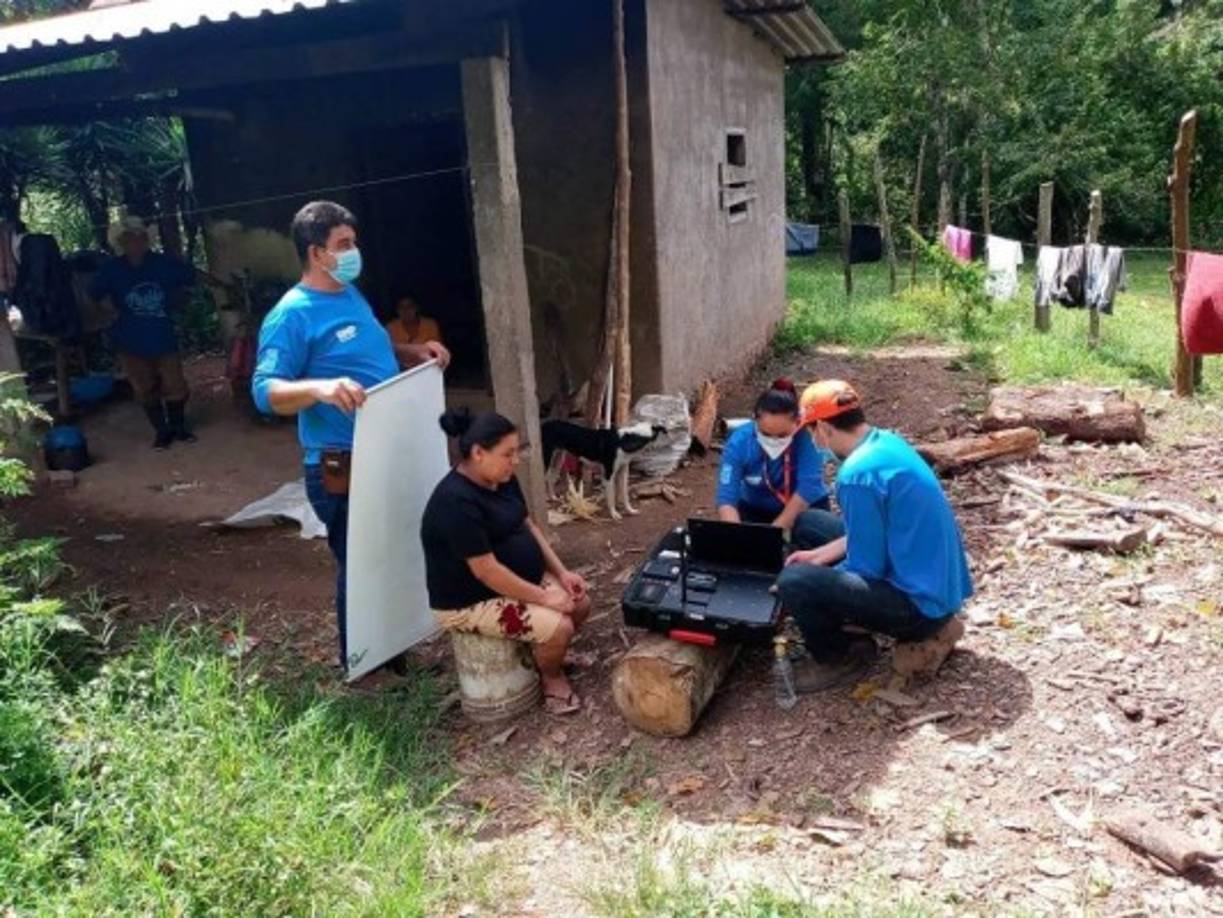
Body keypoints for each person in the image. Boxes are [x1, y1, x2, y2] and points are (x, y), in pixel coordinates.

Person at [252, 200, 450, 672]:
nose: (353, 252)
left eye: (353, 242)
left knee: (396, 551)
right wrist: (320, 388)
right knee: (362, 566)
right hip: (341, 463)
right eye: (343, 245)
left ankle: (394, 651)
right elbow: (264, 391)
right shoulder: (292, 314)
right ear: (316, 253)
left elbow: (371, 351)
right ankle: (364, 663)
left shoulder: (349, 294)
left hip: (382, 451)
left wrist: (411, 351)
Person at [775, 379, 972, 692]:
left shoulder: (856, 476)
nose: (816, 443)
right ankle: (835, 613)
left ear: (824, 429)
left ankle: (840, 658)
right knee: (809, 523)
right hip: (938, 585)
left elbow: (866, 568)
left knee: (794, 582)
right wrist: (818, 556)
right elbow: (873, 533)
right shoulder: (886, 442)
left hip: (919, 607)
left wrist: (808, 583)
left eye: (813, 433)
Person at [423, 409, 590, 715]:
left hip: (507, 582)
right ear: (478, 453)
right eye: (508, 453)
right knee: (559, 627)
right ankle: (552, 679)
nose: (515, 461)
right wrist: (545, 598)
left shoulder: (501, 479)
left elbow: (528, 526)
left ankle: (547, 653)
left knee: (580, 602)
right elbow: (486, 571)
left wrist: (562, 574)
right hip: (469, 601)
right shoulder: (455, 502)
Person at [88, 216, 199, 449]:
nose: (136, 243)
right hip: (129, 340)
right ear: (122, 243)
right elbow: (94, 293)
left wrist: (181, 301)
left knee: (175, 384)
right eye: (130, 239)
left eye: (140, 238)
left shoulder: (162, 263)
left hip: (162, 335)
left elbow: (191, 277)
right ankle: (161, 431)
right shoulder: (112, 269)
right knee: (144, 387)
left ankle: (178, 427)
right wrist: (108, 309)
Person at [716, 378, 839, 549]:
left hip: (807, 507)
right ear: (755, 422)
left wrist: (773, 534)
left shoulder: (807, 438)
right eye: (765, 434)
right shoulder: (738, 443)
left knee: (816, 552)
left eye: (782, 435)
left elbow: (808, 487)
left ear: (797, 424)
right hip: (755, 508)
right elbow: (727, 497)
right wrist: (737, 537)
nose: (773, 441)